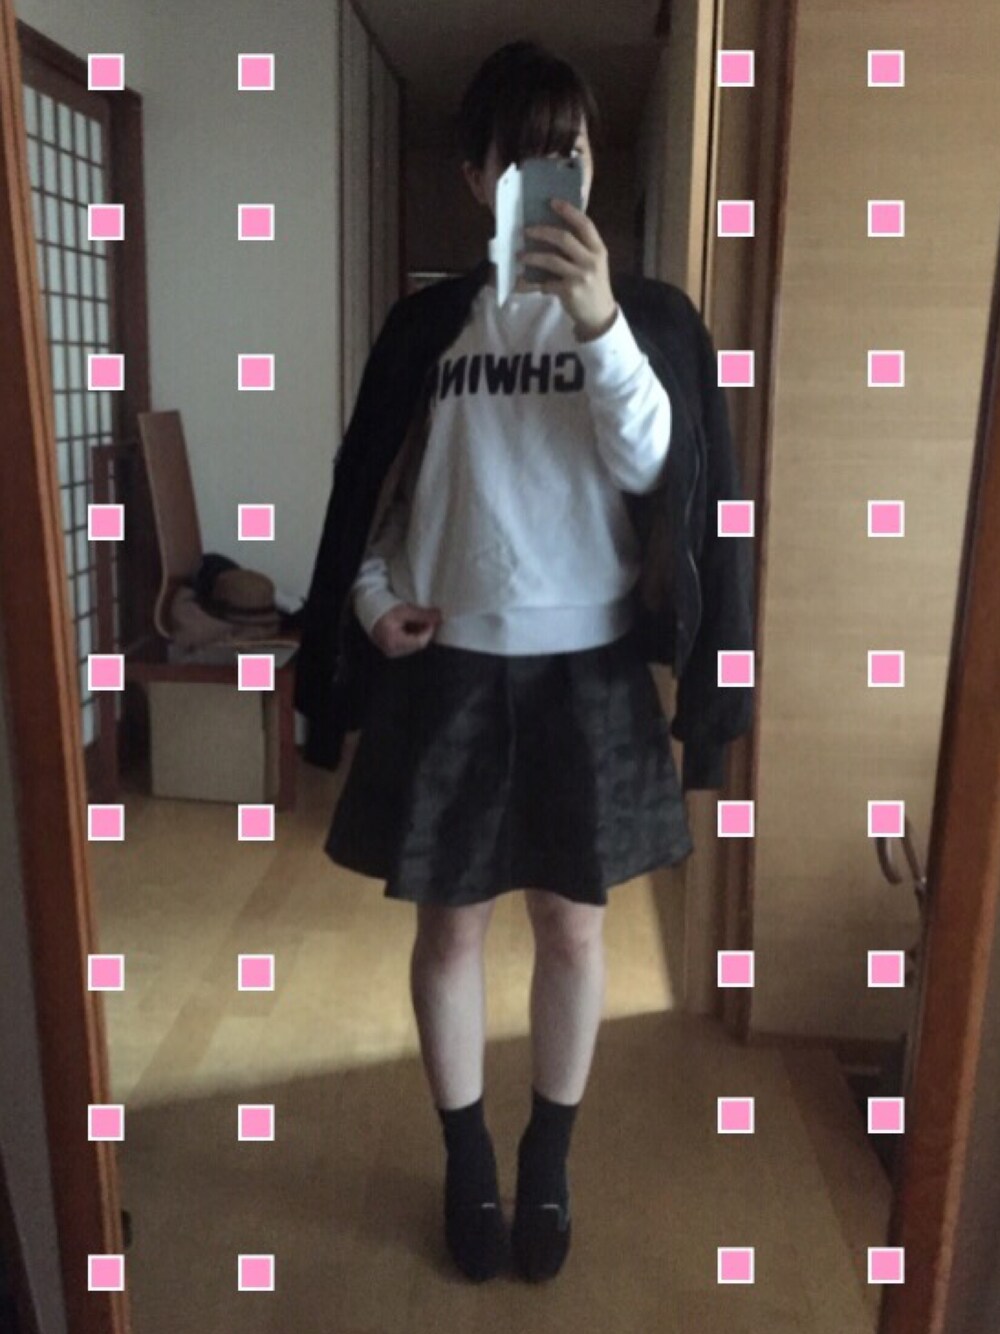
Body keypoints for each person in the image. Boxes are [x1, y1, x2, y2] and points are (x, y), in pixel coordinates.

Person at [323, 39, 696, 1283]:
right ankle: (466, 1157)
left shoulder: (636, 319)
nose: (550, 175)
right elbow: (376, 497)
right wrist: (372, 597)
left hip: (586, 669)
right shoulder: (430, 324)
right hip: (451, 669)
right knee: (450, 934)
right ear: (477, 176)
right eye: (524, 156)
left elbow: (657, 469)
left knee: (574, 933)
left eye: (568, 152)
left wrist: (598, 324)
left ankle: (548, 1157)